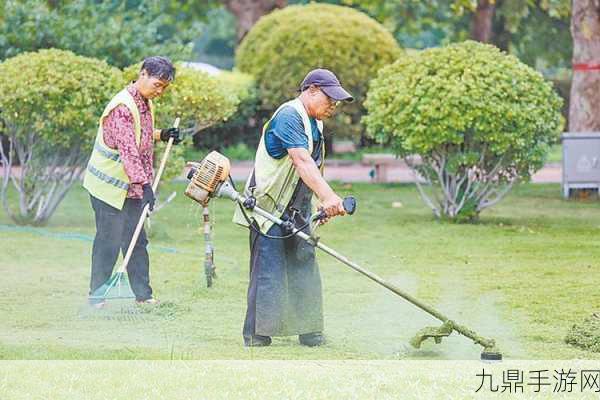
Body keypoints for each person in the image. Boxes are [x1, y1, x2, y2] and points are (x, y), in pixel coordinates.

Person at [233, 68, 354, 346]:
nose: (333, 106)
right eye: (329, 99)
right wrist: (329, 197)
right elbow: (301, 161)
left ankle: (310, 331)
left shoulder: (316, 122)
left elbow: (312, 168)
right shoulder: (289, 115)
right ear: (311, 90)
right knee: (269, 269)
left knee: (304, 263)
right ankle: (257, 335)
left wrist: (317, 204)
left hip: (297, 206)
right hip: (269, 205)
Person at [83, 56, 181, 308]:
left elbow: (141, 135)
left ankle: (143, 295)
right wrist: (145, 185)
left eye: (164, 88)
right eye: (157, 84)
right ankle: (96, 296)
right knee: (109, 241)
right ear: (143, 73)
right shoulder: (123, 107)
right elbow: (128, 151)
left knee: (137, 240)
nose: (159, 91)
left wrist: (162, 134)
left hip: (131, 189)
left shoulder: (144, 102)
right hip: (108, 187)